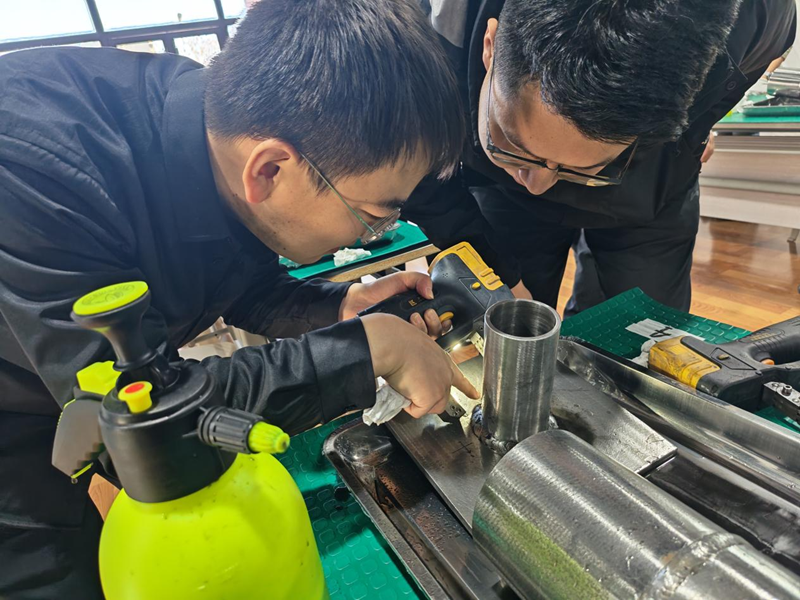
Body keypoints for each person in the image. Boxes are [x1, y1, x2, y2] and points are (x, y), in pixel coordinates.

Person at [0, 0, 477, 596]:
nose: (372, 236)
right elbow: (137, 426)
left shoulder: (215, 128)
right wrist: (366, 349)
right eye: (373, 216)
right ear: (271, 169)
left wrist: (338, 308)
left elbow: (235, 279)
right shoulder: (38, 173)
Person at [404, 0, 797, 314]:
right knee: (503, 319)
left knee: (640, 335)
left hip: (648, 192)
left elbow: (771, 51)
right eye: (510, 142)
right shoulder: (436, 24)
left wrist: (695, 121)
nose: (538, 186)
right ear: (489, 47)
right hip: (498, 189)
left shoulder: (757, 13)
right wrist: (491, 261)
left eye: (580, 168)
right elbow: (413, 171)